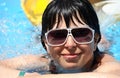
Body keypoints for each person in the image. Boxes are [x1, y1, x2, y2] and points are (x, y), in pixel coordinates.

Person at [0, 0, 120, 78]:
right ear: (45, 43)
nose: (70, 44)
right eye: (58, 35)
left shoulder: (104, 63)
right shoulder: (46, 62)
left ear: (95, 40)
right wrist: (23, 75)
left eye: (81, 33)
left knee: (106, 43)